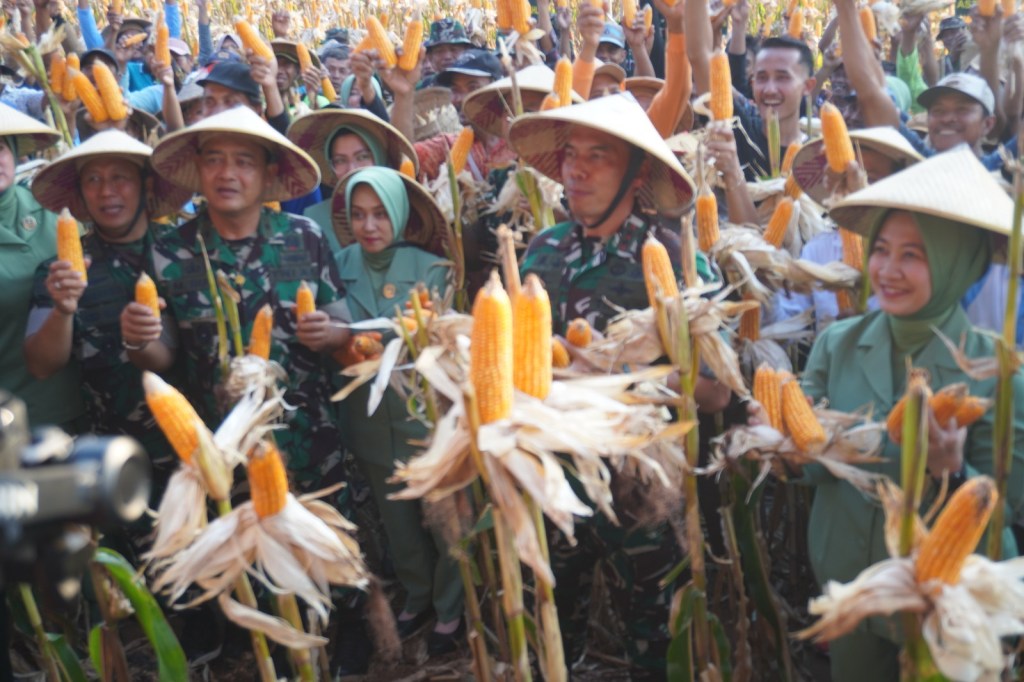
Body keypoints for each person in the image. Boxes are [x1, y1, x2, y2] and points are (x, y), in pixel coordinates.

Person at [509, 94, 730, 674]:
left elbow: (716, 391)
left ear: (636, 174)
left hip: (642, 487)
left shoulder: (675, 257)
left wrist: (622, 377)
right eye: (571, 155)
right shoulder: (544, 251)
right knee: (549, 629)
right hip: (555, 476)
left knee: (655, 643)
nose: (576, 171)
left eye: (598, 156)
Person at [801, 147, 1024, 681]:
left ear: (956, 265)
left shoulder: (999, 371)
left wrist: (952, 471)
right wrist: (781, 439)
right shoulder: (836, 343)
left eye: (913, 256)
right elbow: (806, 470)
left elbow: (1009, 505)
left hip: (944, 601)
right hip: (850, 586)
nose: (888, 271)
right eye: (880, 250)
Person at [123, 106, 349, 496]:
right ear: (198, 169)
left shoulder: (304, 237)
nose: (226, 174)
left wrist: (328, 334)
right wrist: (138, 339)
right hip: (222, 452)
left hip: (309, 443)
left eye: (243, 162)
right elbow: (162, 355)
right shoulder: (170, 253)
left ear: (269, 173)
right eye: (214, 160)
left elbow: (344, 326)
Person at [330, 166, 463, 656]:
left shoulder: (433, 269)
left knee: (444, 520)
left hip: (422, 415)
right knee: (397, 523)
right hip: (367, 419)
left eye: (381, 214)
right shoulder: (336, 265)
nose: (369, 226)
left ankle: (451, 606)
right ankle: (417, 595)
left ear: (401, 216)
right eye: (359, 215)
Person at [24, 130, 191, 474]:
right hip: (110, 454)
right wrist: (63, 310)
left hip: (193, 444)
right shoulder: (61, 271)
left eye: (120, 177)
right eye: (93, 180)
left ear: (146, 186)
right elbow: (41, 365)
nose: (106, 191)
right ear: (81, 195)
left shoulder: (186, 254)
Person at [0, 105, 83, 429]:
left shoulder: (53, 207)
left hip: (91, 402)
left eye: (0, 147)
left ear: (14, 152)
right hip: (16, 419)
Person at [286, 107, 418, 248]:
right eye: (340, 160)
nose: (352, 169)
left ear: (379, 157)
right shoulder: (315, 218)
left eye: (362, 157)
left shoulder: (407, 212)